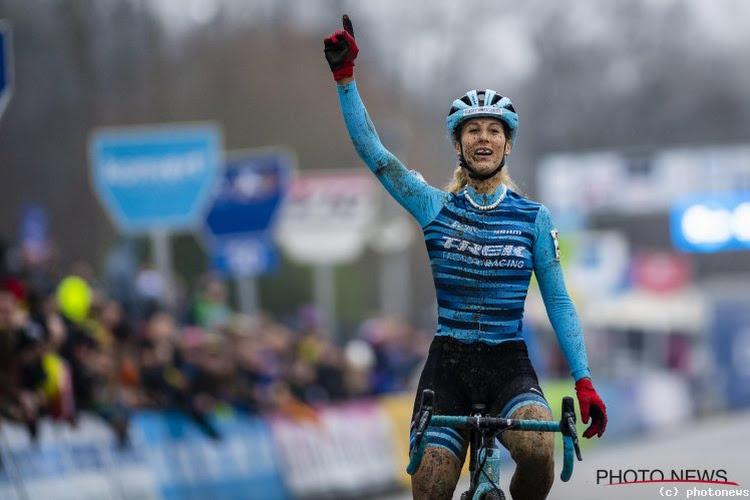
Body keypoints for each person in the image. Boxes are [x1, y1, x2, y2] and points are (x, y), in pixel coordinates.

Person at [323, 15, 608, 500]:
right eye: (471, 130)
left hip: (508, 363)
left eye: (493, 131)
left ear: (507, 143)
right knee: (431, 488)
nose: (482, 138)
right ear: (458, 143)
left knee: (539, 451)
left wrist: (583, 381)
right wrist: (346, 80)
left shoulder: (533, 218)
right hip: (448, 365)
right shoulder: (434, 206)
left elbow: (558, 301)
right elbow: (375, 153)